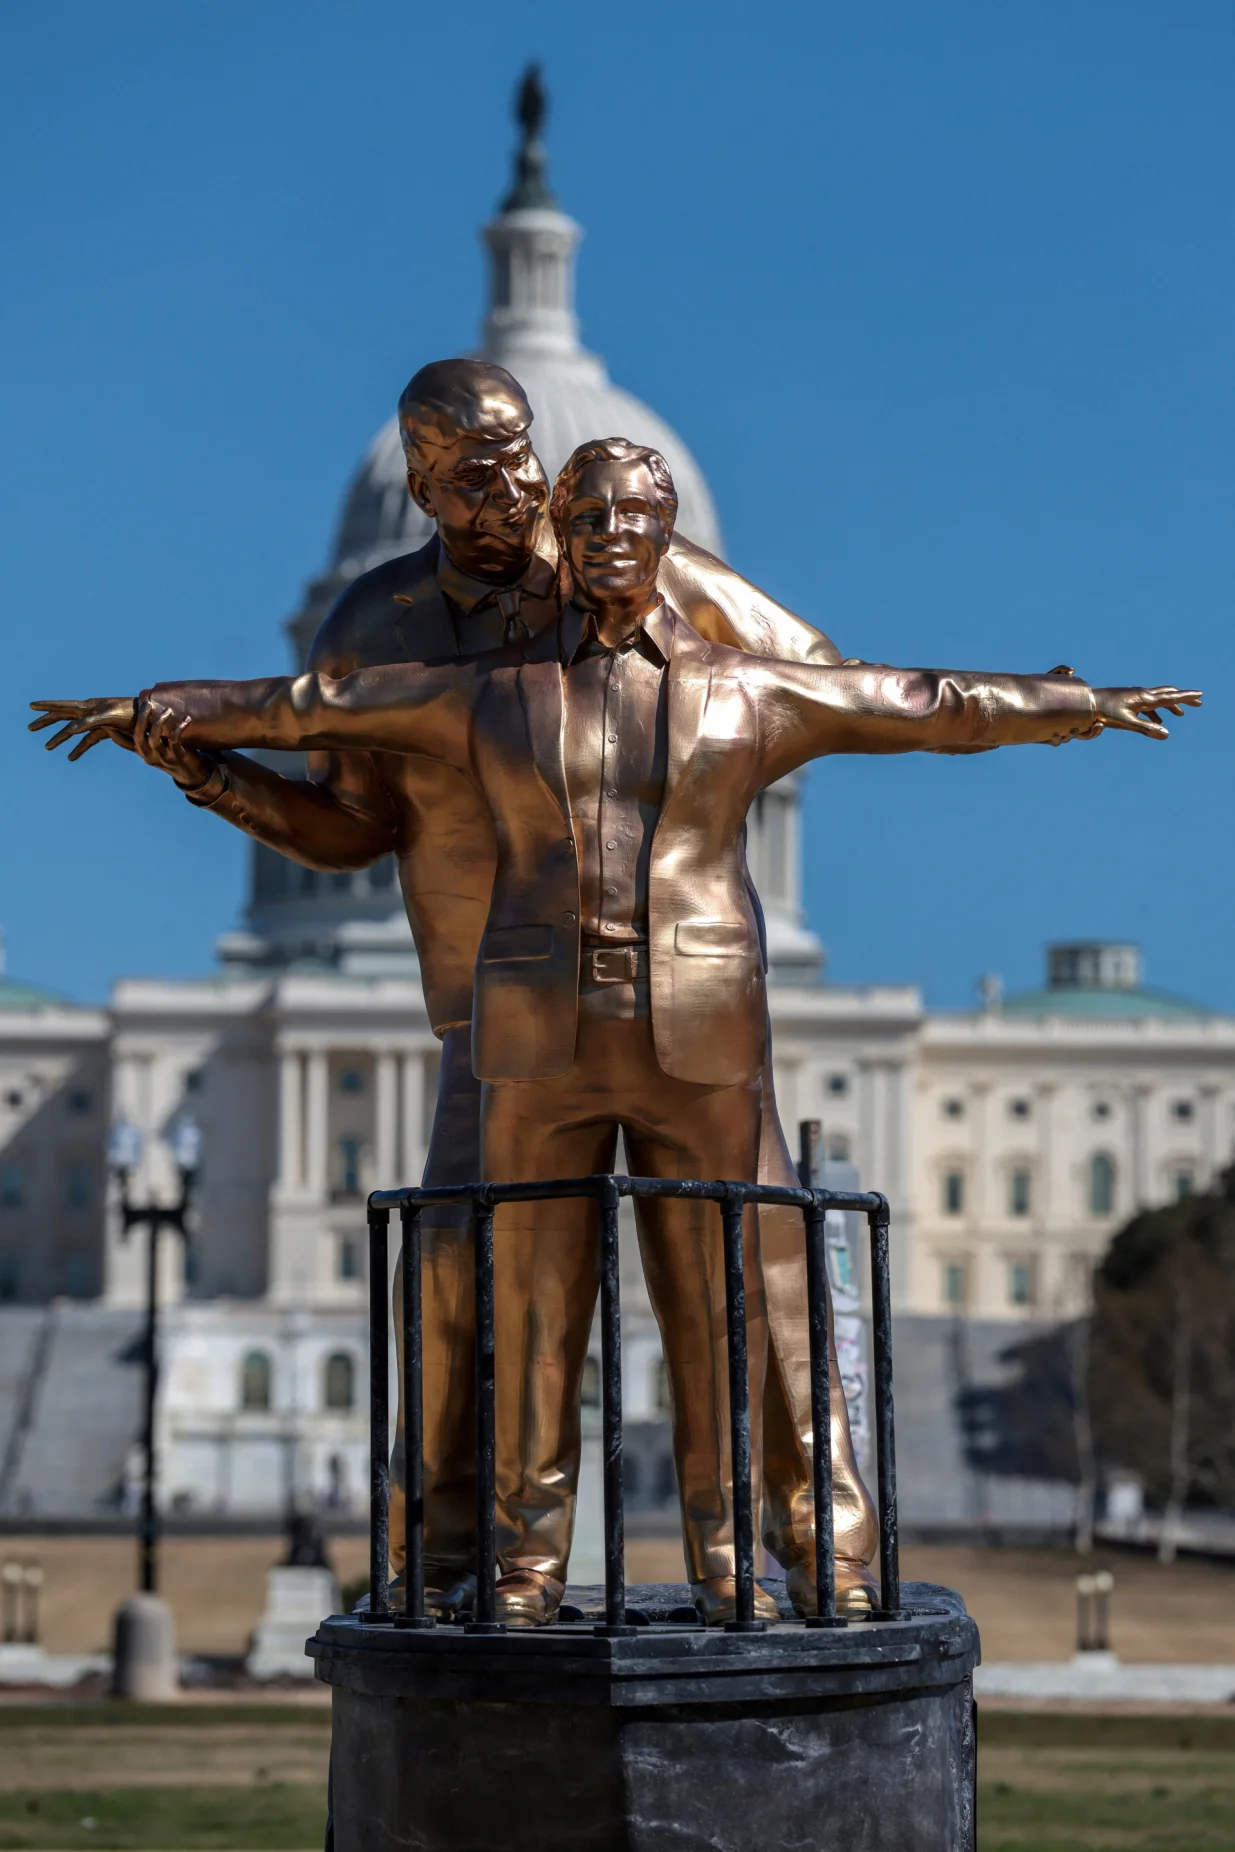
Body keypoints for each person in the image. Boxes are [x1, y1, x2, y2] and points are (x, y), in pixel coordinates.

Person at [34, 438, 1200, 1624]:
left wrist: (1073, 707)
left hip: (697, 1031)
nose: (606, 537)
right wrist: (162, 714)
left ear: (666, 537)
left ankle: (732, 1556)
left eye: (630, 518)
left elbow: (917, 701)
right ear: (563, 537)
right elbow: (321, 703)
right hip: (535, 1029)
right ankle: (524, 1568)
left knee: (720, 1312)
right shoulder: (494, 693)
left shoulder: (748, 689)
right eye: (584, 517)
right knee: (529, 1319)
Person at [34, 360, 882, 1618]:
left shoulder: (611, 556)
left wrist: (674, 700)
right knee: (451, 1271)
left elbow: (816, 675)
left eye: (524, 453)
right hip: (497, 1011)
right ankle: (452, 1562)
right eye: (480, 472)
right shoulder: (375, 627)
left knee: (749, 1269)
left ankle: (812, 1546)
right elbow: (342, 831)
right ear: (423, 486)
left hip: (666, 985)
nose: (520, 486)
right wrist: (209, 777)